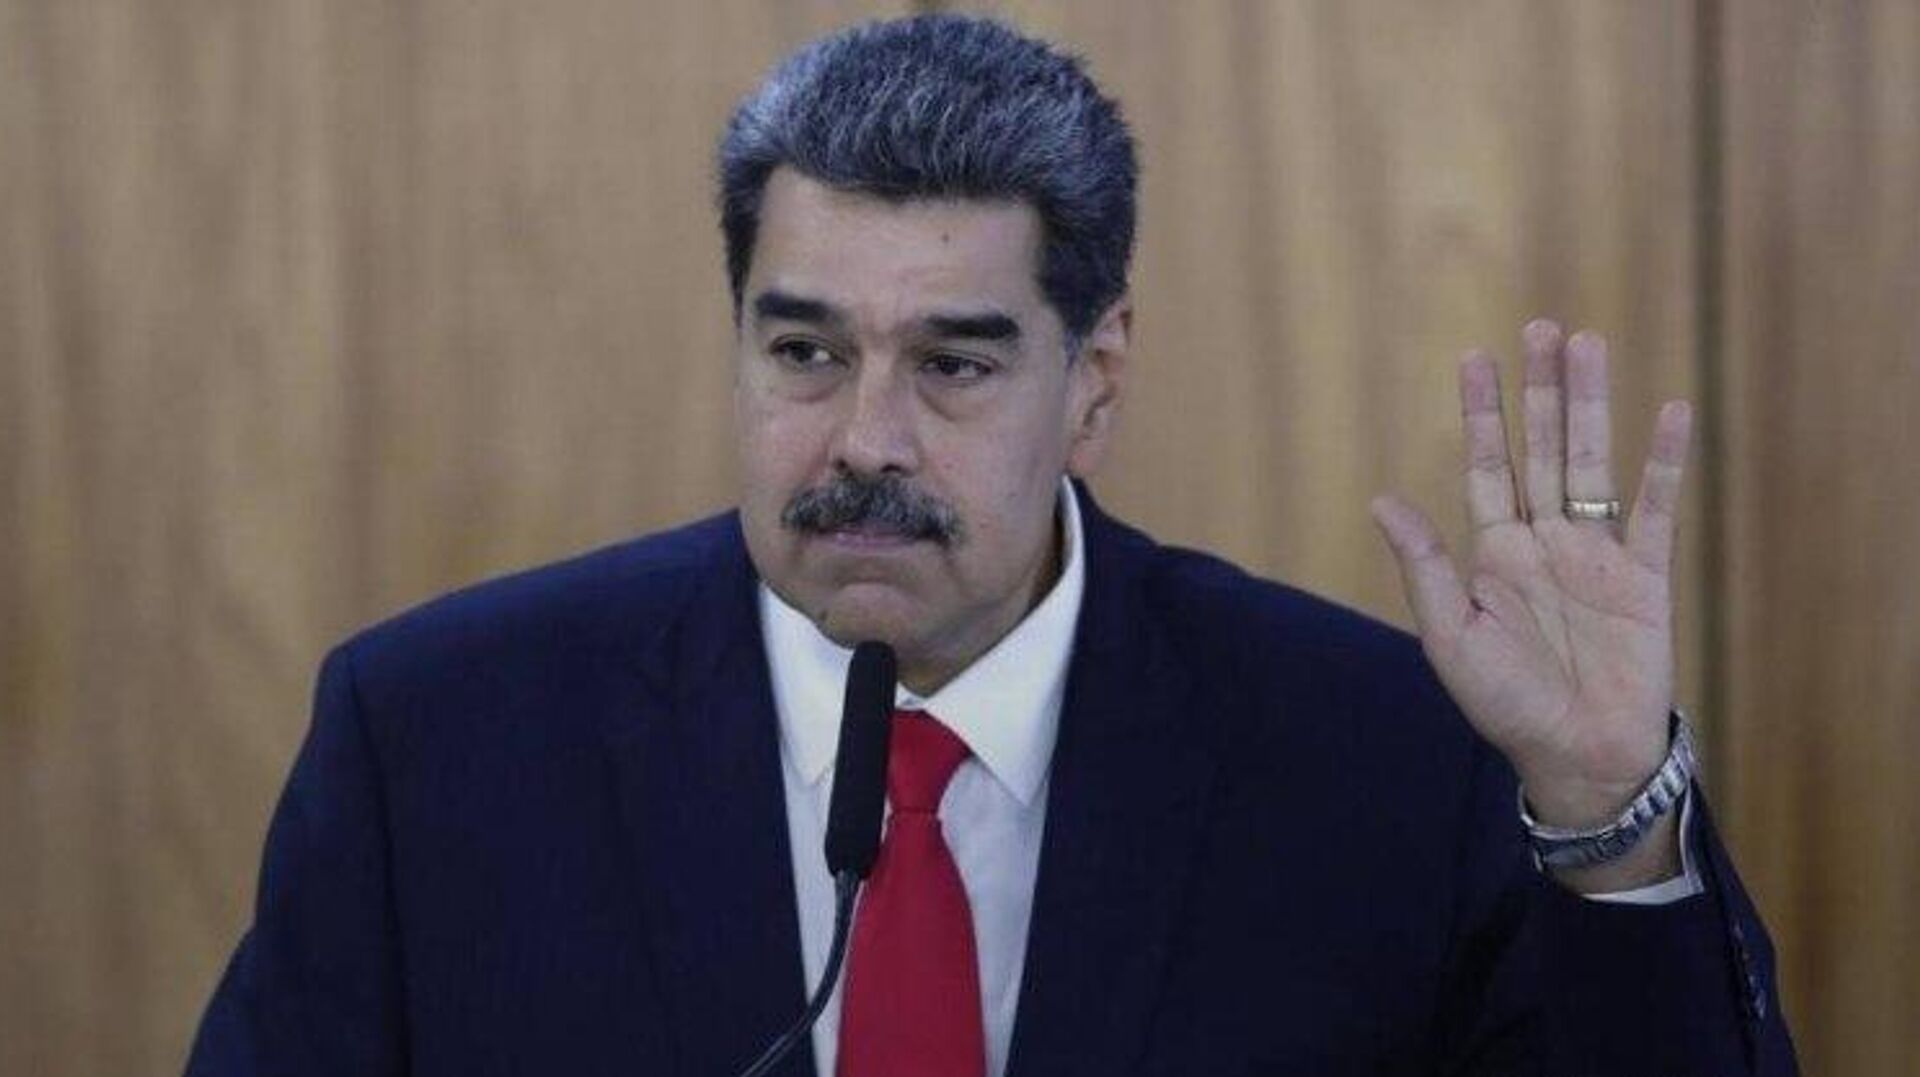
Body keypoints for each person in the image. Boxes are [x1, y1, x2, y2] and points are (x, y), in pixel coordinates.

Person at [187, 14, 1798, 1077]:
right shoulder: (438, 744)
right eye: (805, 351)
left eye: (952, 364)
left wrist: (1604, 813)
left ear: (1092, 380)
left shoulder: (1383, 758)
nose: (865, 438)